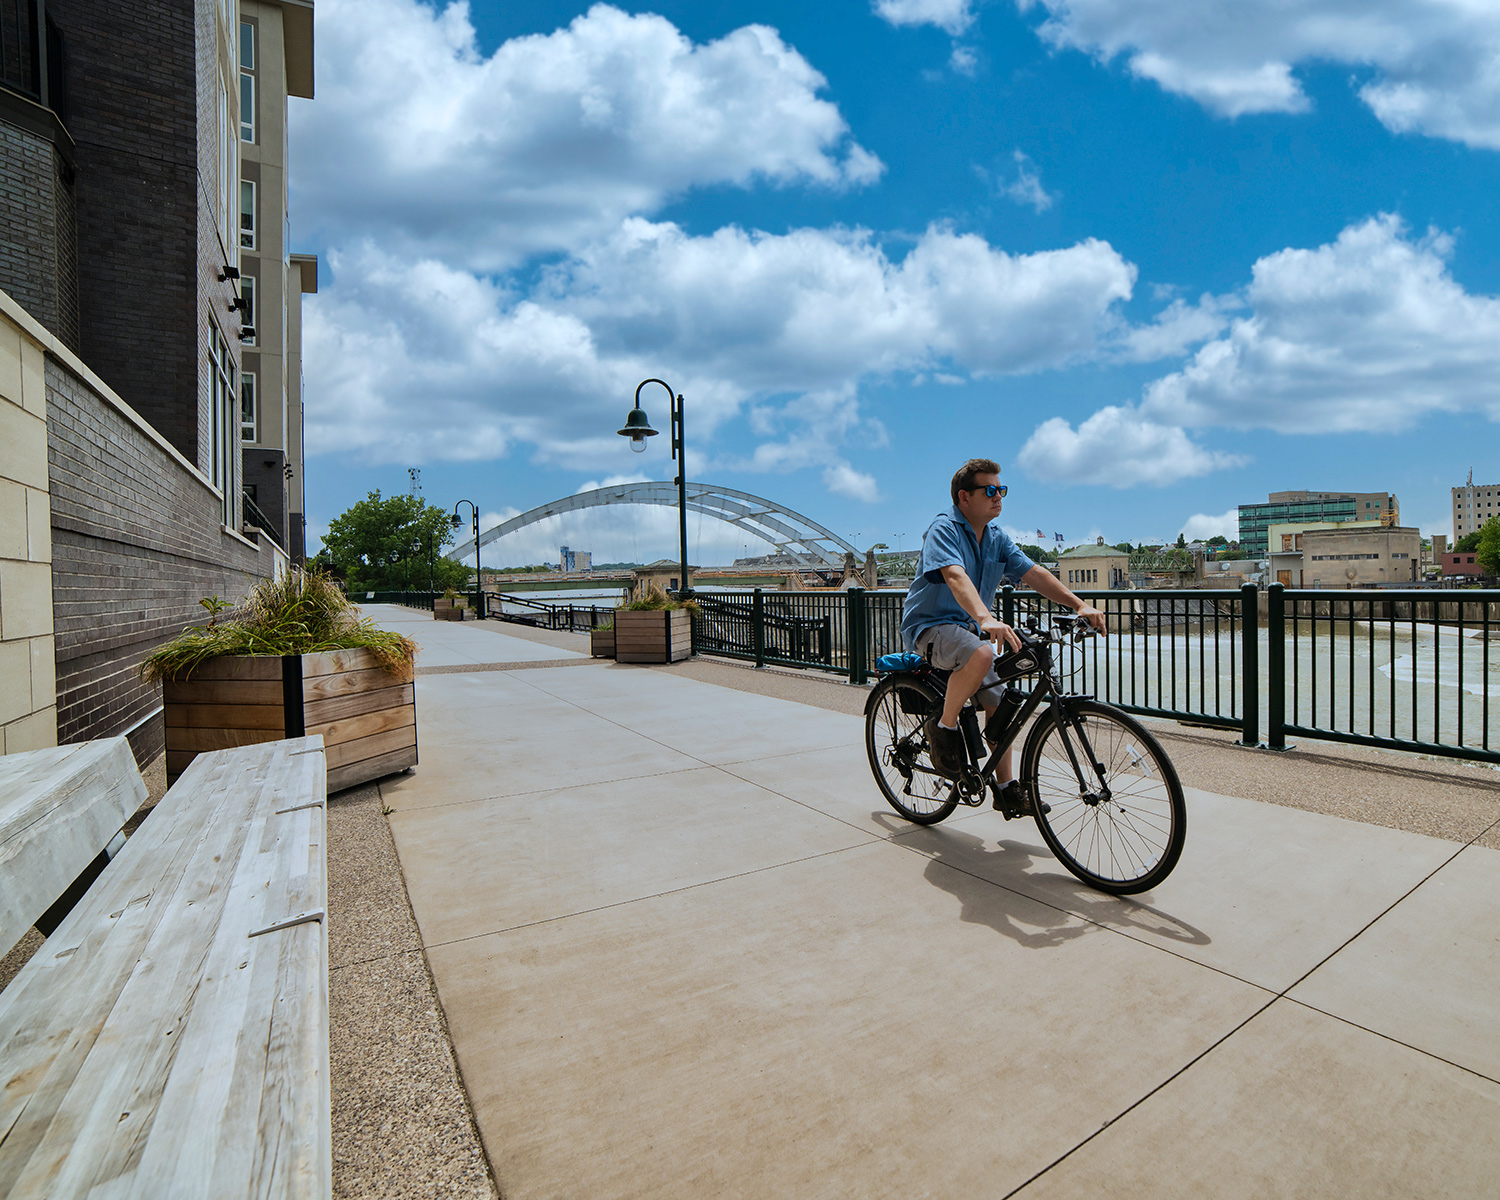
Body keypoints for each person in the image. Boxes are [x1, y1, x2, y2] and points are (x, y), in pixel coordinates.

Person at [900, 458, 1106, 811]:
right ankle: (944, 728)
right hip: (930, 627)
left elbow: (1034, 573)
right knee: (981, 653)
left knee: (1001, 699)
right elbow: (954, 575)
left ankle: (1008, 789)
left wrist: (1078, 605)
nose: (999, 497)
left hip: (966, 629)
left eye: (1002, 490)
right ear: (964, 497)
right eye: (990, 490)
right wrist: (985, 617)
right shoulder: (944, 529)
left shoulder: (996, 538)